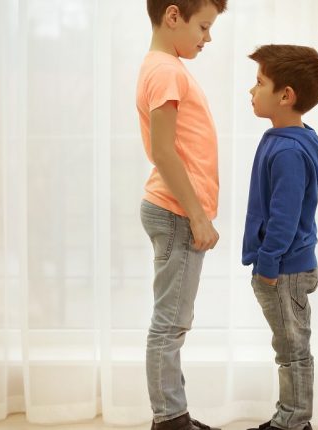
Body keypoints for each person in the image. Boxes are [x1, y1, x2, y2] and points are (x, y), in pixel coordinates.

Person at [135, 1, 227, 429]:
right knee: (170, 323)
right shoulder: (167, 71)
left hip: (175, 211)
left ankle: (175, 415)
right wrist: (197, 215)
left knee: (173, 320)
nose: (207, 38)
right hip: (175, 213)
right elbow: (164, 151)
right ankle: (170, 420)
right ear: (173, 16)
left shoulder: (162, 67)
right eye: (203, 27)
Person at [242, 44, 318, 430]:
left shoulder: (288, 152)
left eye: (259, 82)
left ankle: (293, 422)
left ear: (286, 95)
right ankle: (290, 417)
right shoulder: (295, 138)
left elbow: (284, 216)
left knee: (291, 350)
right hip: (289, 266)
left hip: (283, 270)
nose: (251, 90)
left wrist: (267, 265)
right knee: (290, 347)